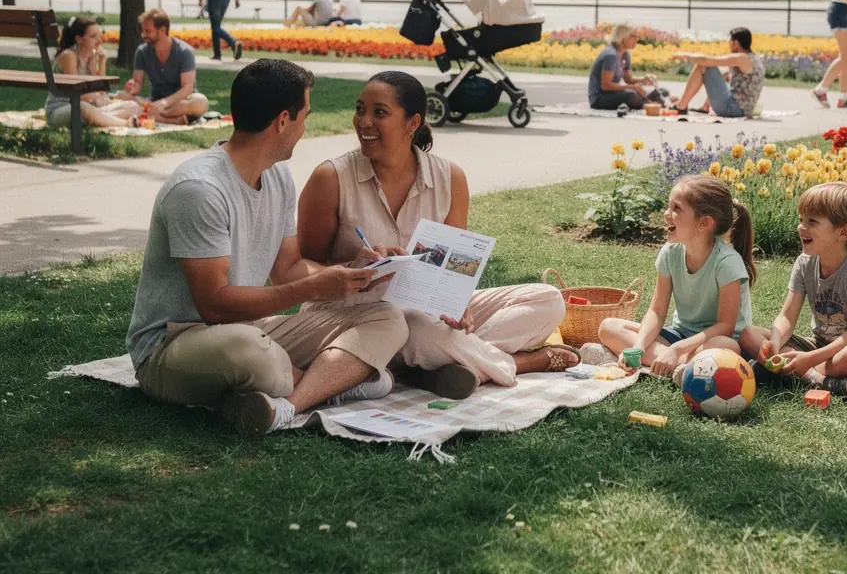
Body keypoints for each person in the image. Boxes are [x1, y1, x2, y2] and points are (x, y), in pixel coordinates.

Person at [125, 60, 408, 435]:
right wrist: (309, 290)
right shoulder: (199, 189)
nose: (304, 129)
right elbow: (214, 305)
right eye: (305, 117)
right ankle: (336, 383)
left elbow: (289, 269)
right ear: (283, 121)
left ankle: (288, 406)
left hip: (248, 329)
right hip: (173, 344)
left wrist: (354, 272)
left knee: (387, 318)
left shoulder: (277, 176)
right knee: (251, 351)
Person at [296, 71, 573, 399]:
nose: (363, 121)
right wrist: (352, 269)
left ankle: (432, 362)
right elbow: (300, 268)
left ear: (412, 123)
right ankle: (515, 363)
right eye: (360, 110)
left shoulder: (450, 178)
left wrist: (456, 303)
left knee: (547, 300)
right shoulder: (330, 178)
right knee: (420, 329)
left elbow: (453, 267)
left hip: (424, 311)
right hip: (356, 317)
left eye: (379, 112)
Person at [739, 182, 847, 402]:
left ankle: (785, 372)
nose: (801, 227)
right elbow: (787, 317)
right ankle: (822, 381)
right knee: (748, 334)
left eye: (812, 221)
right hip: (821, 345)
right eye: (801, 219)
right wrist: (775, 342)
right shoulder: (805, 263)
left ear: (843, 232)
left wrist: (809, 358)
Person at [597, 176, 754, 377]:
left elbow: (725, 327)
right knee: (608, 327)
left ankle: (671, 362)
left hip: (716, 341)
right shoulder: (670, 252)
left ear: (704, 223)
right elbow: (657, 311)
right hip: (679, 335)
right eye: (669, 206)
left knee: (726, 346)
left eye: (676, 208)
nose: (666, 214)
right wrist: (639, 346)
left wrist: (677, 349)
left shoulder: (727, 263)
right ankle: (683, 366)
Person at [45, 16, 142, 129]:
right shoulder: (69, 55)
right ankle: (125, 123)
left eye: (99, 35)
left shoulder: (91, 55)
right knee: (83, 108)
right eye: (93, 36)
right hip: (61, 110)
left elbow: (102, 90)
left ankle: (98, 119)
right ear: (79, 39)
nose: (99, 40)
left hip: (87, 109)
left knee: (133, 106)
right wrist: (98, 98)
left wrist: (101, 62)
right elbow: (77, 94)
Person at [118, 8, 210, 124]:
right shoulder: (142, 52)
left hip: (180, 103)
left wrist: (164, 103)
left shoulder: (184, 52)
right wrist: (132, 87)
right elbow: (137, 83)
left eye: (148, 31)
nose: (143, 35)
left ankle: (156, 116)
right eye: (143, 31)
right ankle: (174, 120)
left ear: (162, 30)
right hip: (155, 102)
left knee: (201, 102)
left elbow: (187, 88)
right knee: (122, 96)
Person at [672, 26, 764, 119]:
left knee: (703, 66)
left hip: (732, 108)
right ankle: (705, 106)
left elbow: (707, 61)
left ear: (735, 43)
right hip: (742, 109)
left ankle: (681, 106)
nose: (728, 44)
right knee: (721, 73)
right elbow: (723, 75)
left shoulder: (741, 58)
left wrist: (684, 55)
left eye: (730, 41)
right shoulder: (754, 59)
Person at [587, 23, 656, 111]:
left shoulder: (625, 54)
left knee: (659, 92)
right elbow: (606, 86)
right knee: (632, 96)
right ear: (621, 37)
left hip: (615, 94)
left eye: (637, 36)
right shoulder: (611, 55)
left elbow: (628, 79)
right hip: (599, 98)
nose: (637, 39)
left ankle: (650, 103)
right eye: (632, 36)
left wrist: (644, 80)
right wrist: (633, 87)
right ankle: (651, 104)